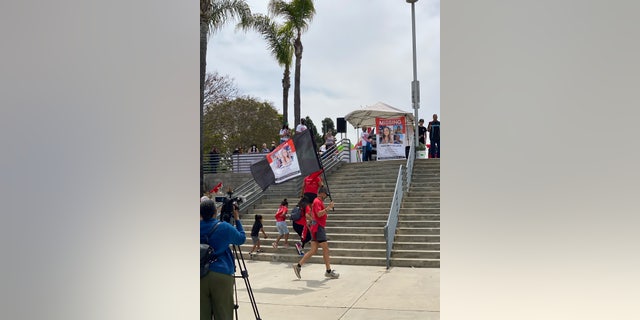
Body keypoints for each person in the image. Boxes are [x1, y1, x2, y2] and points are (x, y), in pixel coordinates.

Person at [200, 199, 246, 320]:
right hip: (221, 273)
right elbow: (241, 239)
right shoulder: (224, 227)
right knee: (224, 314)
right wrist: (237, 219)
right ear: (215, 212)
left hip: (199, 275)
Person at [292, 186, 339, 279]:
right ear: (322, 193)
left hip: (315, 228)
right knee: (325, 249)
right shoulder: (317, 201)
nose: (326, 196)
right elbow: (318, 214)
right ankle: (328, 271)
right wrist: (328, 208)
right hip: (318, 228)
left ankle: (298, 266)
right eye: (325, 194)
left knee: (313, 250)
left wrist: (324, 214)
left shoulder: (317, 202)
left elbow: (315, 215)